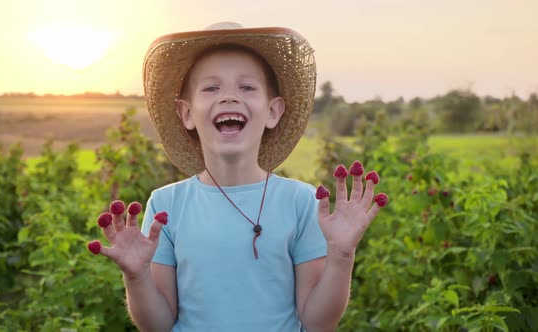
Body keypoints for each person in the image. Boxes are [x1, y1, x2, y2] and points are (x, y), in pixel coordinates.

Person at [87, 22, 388, 332]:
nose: (229, 97)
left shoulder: (300, 201)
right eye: (211, 88)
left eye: (246, 87)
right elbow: (158, 325)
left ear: (273, 111)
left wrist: (341, 253)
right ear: (186, 113)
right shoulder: (166, 205)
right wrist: (136, 277)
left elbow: (318, 323)